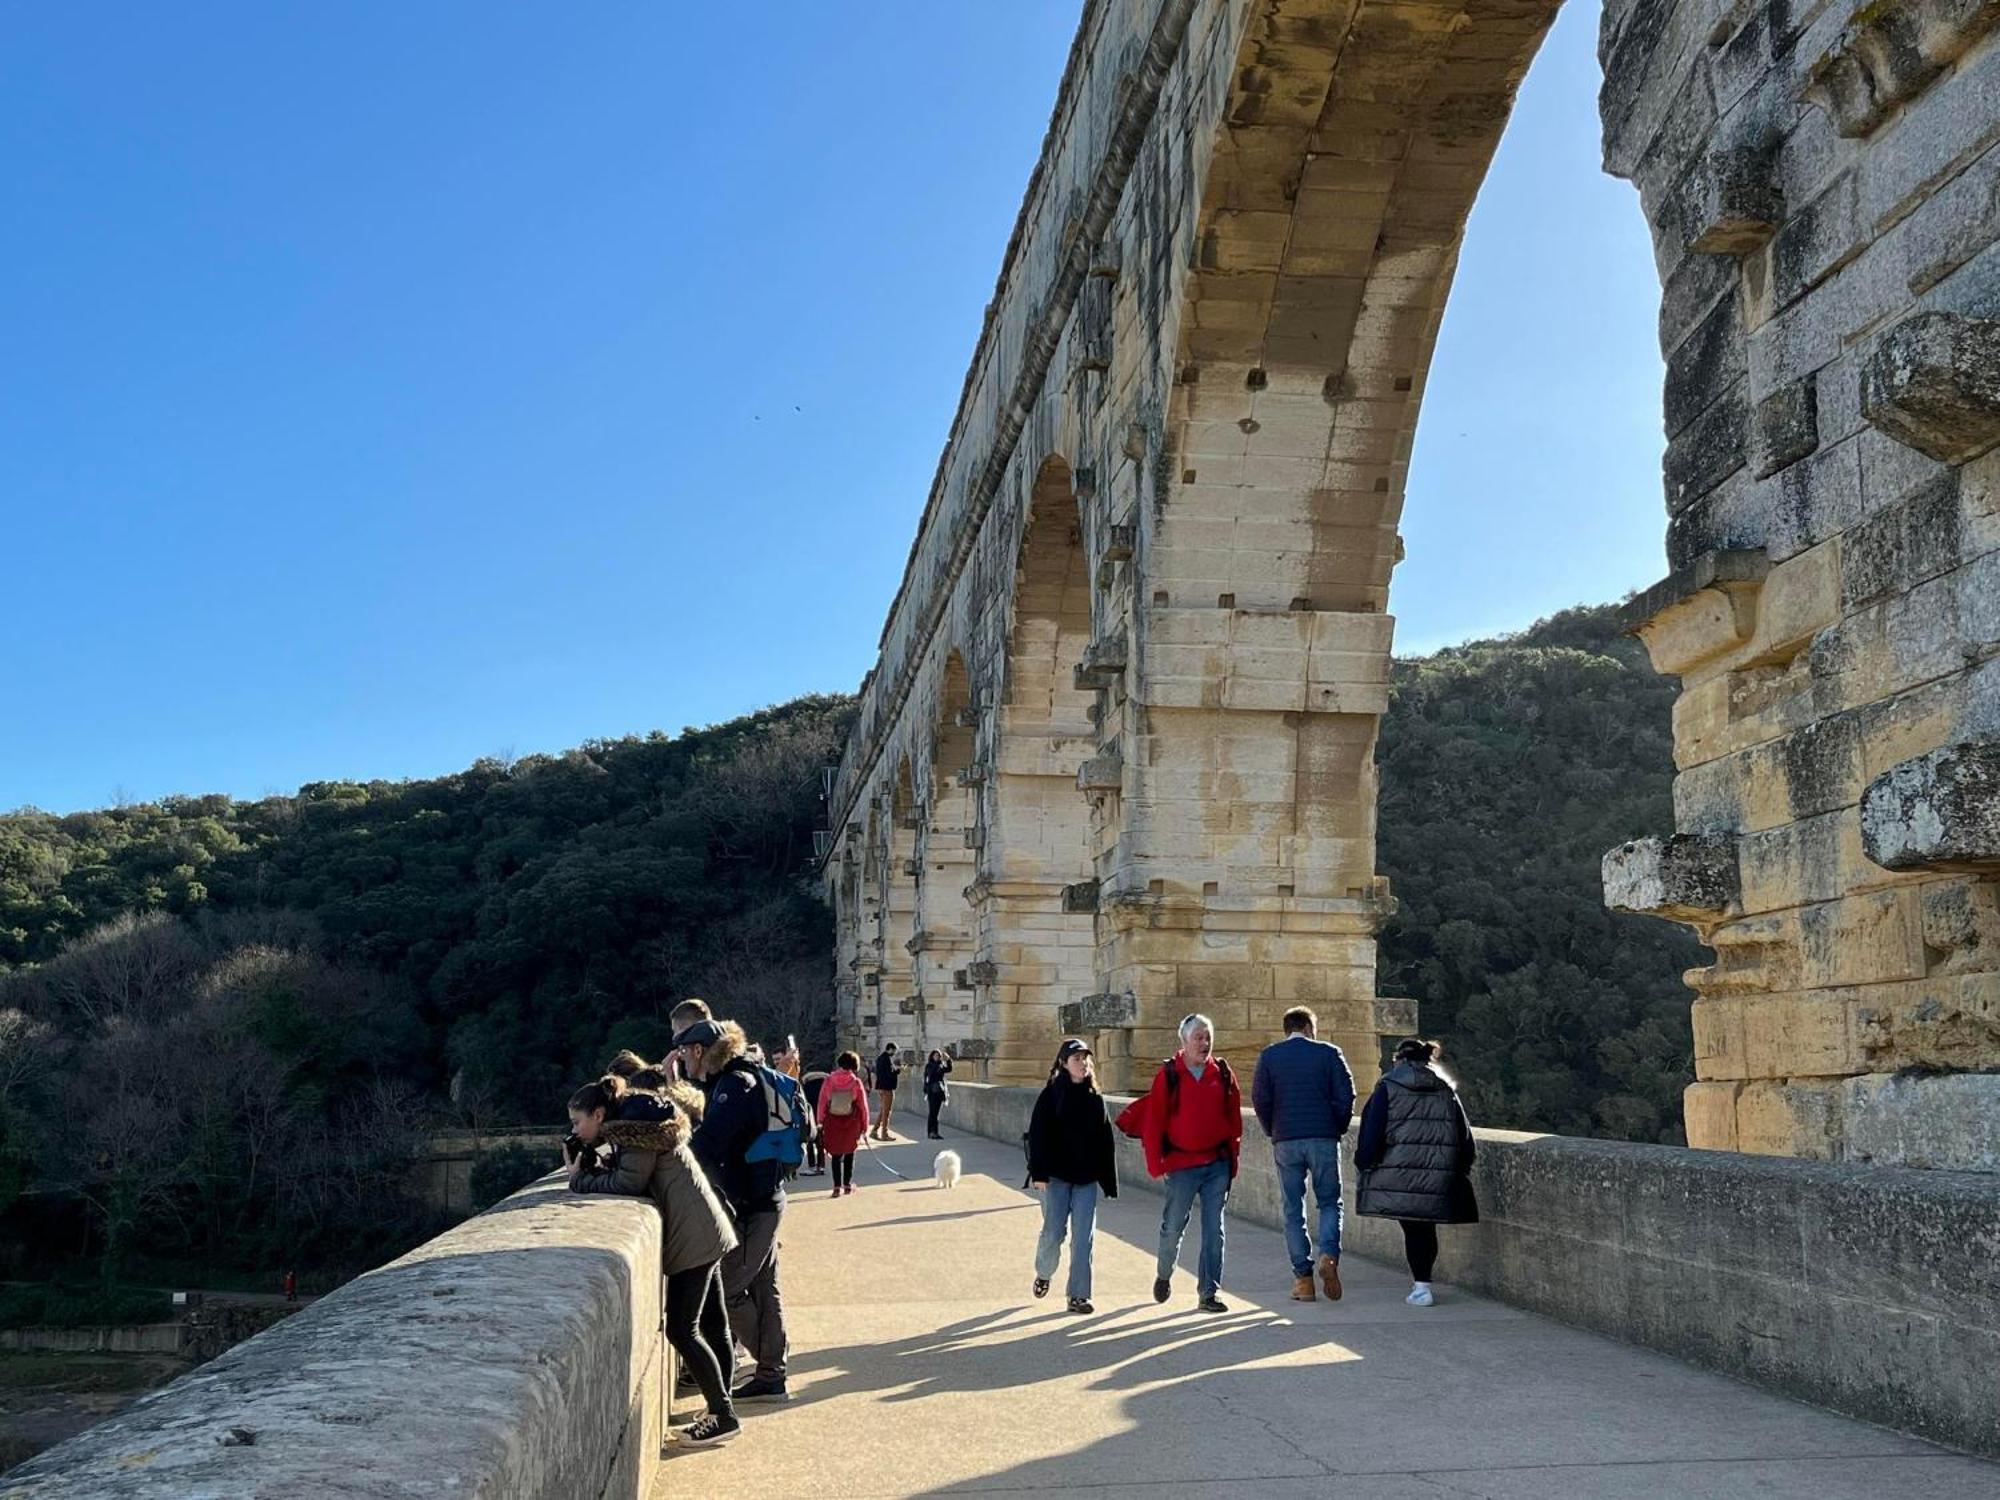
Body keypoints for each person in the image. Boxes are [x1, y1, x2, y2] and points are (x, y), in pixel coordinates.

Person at [567, 1075, 742, 1446]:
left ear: (599, 1114)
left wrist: (579, 1180)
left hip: (692, 1239)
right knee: (712, 1323)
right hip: (703, 1227)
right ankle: (719, 1406)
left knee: (683, 1329)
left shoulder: (636, 1130)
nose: (575, 1129)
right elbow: (637, 1176)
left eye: (578, 1121)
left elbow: (629, 1183)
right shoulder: (642, 1120)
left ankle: (722, 1413)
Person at [676, 1018, 793, 1403]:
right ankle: (771, 1374)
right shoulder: (736, 1079)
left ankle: (767, 1368)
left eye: (684, 1053)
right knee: (763, 1287)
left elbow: (706, 1147)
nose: (681, 1060)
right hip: (765, 1200)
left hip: (753, 1207)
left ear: (698, 1051)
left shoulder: (734, 1087)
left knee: (727, 1286)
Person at [1121, 1013, 1241, 1314]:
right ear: (1184, 1042)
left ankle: (1209, 1292)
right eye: (1198, 1037)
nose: (1205, 1043)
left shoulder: (1223, 1072)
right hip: (1181, 1164)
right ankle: (1164, 1273)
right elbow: (1155, 1121)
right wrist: (1156, 1165)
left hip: (1216, 1164)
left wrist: (1232, 1164)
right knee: (1173, 1227)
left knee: (1215, 1229)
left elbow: (1234, 1122)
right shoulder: (1169, 1074)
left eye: (1208, 1037)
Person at [1355, 1037, 1478, 1308]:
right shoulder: (1445, 1089)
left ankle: (1421, 1286)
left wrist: (1364, 1162)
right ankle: (1423, 1283)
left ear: (1399, 1059)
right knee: (1425, 1226)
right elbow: (1465, 1136)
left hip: (1399, 1171)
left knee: (1413, 1227)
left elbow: (1372, 1131)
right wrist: (1461, 1167)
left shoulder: (1387, 1087)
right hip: (1438, 1171)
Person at [1251, 1006, 1356, 1302]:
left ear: (1287, 1029)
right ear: (1310, 1028)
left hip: (1286, 1139)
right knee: (1329, 1202)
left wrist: (1273, 1129)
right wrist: (1337, 1126)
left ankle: (1303, 1280)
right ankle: (1329, 1255)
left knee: (1292, 1209)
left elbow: (1260, 1098)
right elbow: (1346, 1095)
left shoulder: (1270, 1056)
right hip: (1323, 1137)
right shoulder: (1329, 1053)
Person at [1026, 1039, 1117, 1314]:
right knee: (1054, 1233)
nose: (1083, 1064)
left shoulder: (1095, 1098)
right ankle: (1044, 1272)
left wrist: (1108, 1181)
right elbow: (1037, 1136)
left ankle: (1078, 1295)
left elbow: (1105, 1141)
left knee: (1083, 1237)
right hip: (1055, 1177)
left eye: (1086, 1059)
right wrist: (1038, 1173)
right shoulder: (1051, 1094)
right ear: (1064, 1063)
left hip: (1085, 1178)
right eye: (1077, 1059)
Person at [816, 1050, 870, 1195]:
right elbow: (862, 1106)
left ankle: (836, 1186)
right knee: (850, 1152)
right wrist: (864, 1125)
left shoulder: (829, 1080)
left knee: (835, 1154)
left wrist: (820, 1121)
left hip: (832, 1121)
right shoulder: (855, 1082)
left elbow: (822, 1102)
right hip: (851, 1121)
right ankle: (847, 1184)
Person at [799, 1067, 830, 1176]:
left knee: (810, 1140)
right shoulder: (826, 1081)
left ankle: (811, 1166)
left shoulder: (806, 1082)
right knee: (820, 1140)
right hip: (822, 1113)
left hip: (810, 1113)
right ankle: (821, 1165)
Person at [870, 1043, 901, 1141]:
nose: (894, 1053)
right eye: (894, 1051)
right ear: (890, 1049)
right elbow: (889, 1074)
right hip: (887, 1088)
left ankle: (874, 1131)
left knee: (883, 1110)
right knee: (887, 1112)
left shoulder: (880, 1058)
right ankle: (884, 1134)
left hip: (881, 1087)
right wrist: (897, 1071)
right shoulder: (886, 1059)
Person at [922, 1048, 953, 1139]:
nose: (937, 1057)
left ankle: (935, 1132)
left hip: (939, 1091)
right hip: (932, 1091)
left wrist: (948, 1060)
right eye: (935, 1055)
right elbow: (929, 1075)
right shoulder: (929, 1066)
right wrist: (926, 1090)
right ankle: (930, 1132)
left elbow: (949, 1069)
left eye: (938, 1056)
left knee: (936, 1113)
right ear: (932, 1056)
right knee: (932, 1112)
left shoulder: (941, 1065)